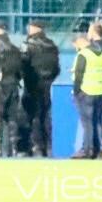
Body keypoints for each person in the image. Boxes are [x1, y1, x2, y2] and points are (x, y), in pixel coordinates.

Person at [71, 22, 102, 158]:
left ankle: (88, 149)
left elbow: (79, 74)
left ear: (92, 33)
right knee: (101, 120)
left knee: (88, 122)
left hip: (87, 89)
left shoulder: (85, 53)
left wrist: (76, 91)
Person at [22, 18, 61, 157]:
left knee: (33, 116)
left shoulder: (28, 45)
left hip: (33, 85)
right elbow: (57, 68)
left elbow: (23, 64)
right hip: (48, 84)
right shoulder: (52, 45)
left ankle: (36, 146)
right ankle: (48, 146)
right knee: (46, 115)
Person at [0, 21, 26, 156]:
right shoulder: (14, 48)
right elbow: (20, 69)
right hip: (13, 85)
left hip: (0, 86)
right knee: (12, 117)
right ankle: (13, 148)